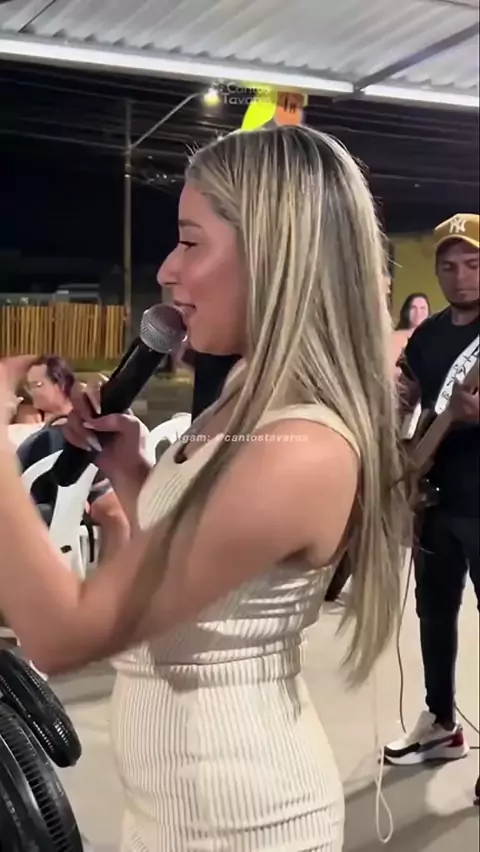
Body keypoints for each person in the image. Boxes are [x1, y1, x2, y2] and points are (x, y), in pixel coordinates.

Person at [0, 126, 408, 851]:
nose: (166, 269)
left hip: (240, 822)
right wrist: (132, 469)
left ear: (276, 256)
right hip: (177, 806)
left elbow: (62, 635)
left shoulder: (302, 447)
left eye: (191, 242)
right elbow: (203, 568)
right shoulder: (245, 399)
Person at [384, 214, 479, 789]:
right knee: (434, 613)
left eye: (472, 263)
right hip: (437, 497)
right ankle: (441, 723)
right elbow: (405, 395)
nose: (459, 275)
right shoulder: (430, 334)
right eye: (448, 266)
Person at [17, 355, 130, 560]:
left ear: (60, 385)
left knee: (119, 516)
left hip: (94, 486)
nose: (31, 391)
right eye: (29, 386)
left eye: (38, 385)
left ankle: (113, 577)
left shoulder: (87, 411)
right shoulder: (31, 416)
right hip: (42, 492)